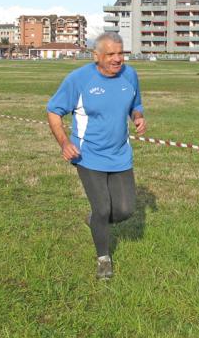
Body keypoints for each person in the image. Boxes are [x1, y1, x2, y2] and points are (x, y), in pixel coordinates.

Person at [47, 33, 147, 280]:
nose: (118, 59)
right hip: (87, 154)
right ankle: (104, 259)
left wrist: (138, 117)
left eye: (121, 53)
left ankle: (94, 221)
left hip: (120, 154)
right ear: (96, 56)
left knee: (124, 210)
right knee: (102, 208)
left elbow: (136, 103)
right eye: (111, 54)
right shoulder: (79, 79)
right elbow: (53, 112)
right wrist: (64, 142)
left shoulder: (130, 75)